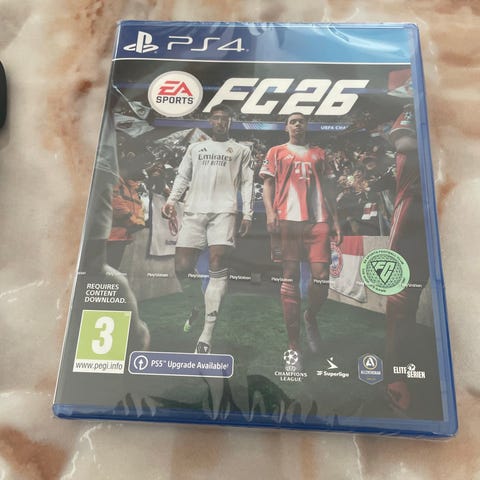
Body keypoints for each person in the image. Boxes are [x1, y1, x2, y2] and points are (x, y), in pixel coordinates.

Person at [162, 104, 254, 354]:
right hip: (194, 210)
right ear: (210, 121)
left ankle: (206, 336)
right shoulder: (195, 148)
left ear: (230, 122)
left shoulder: (241, 150)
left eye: (225, 118)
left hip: (224, 212)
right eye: (216, 118)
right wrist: (171, 201)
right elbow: (183, 177)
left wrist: (248, 213)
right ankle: (197, 305)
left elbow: (247, 183)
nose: (221, 122)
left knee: (217, 263)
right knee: (182, 268)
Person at [260, 112, 342, 370]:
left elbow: (329, 190)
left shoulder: (320, 153)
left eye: (301, 121)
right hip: (287, 220)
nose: (297, 124)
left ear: (307, 126)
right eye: (293, 121)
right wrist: (270, 213)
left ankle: (310, 316)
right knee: (290, 278)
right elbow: (267, 184)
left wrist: (336, 221)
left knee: (322, 279)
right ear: (286, 127)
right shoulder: (276, 151)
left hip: (319, 220)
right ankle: (294, 347)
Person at [384, 105, 429, 412]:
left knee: (413, 300)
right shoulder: (411, 109)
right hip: (411, 218)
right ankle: (395, 373)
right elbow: (403, 141)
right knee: (401, 299)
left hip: (438, 216)